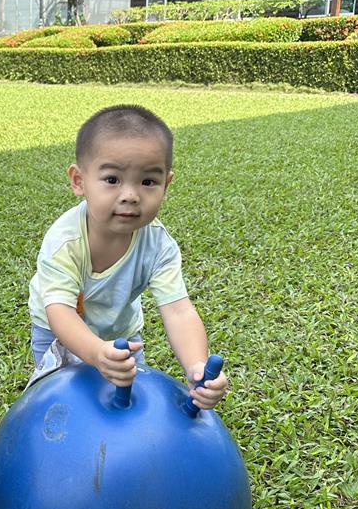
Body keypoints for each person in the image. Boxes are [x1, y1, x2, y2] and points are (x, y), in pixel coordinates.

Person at [28, 104, 227, 409]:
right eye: (112, 179)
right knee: (63, 403)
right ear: (79, 180)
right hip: (58, 332)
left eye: (148, 182)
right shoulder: (64, 241)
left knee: (125, 403)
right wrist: (97, 353)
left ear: (166, 185)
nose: (131, 195)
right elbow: (60, 312)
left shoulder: (159, 245)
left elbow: (178, 311)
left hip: (122, 332)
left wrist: (197, 366)